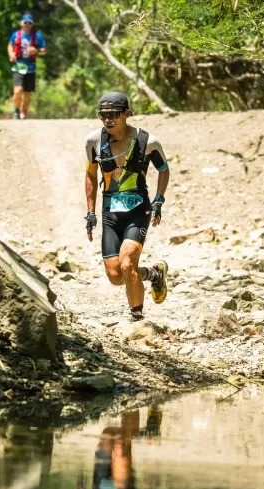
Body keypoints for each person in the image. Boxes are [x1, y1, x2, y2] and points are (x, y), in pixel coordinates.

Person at [84, 92, 170, 321]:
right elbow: (90, 175)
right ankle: (154, 274)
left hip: (138, 210)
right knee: (115, 275)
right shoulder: (94, 142)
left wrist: (159, 199)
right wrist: (90, 212)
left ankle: (137, 318)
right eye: (103, 115)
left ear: (127, 114)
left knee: (126, 263)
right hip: (110, 211)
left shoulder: (147, 142)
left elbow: (164, 170)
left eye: (113, 114)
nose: (108, 120)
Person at [7, 13, 46, 119]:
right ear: (21, 23)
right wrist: (11, 54)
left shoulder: (37, 36)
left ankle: (24, 113)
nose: (27, 24)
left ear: (32, 24)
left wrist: (36, 50)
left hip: (31, 67)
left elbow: (44, 50)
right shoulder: (15, 35)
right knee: (17, 90)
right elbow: (10, 45)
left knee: (28, 94)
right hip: (18, 66)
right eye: (25, 22)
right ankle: (16, 111)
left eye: (30, 23)